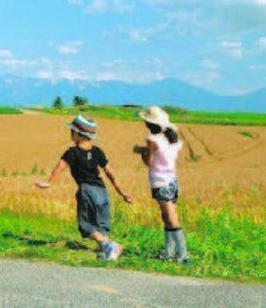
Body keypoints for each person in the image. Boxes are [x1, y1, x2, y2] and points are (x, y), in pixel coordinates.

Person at [35, 114, 134, 261]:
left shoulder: (72, 152)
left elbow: (60, 167)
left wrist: (49, 182)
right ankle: (106, 253)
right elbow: (110, 174)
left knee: (85, 225)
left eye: (72, 131)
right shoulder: (97, 152)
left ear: (78, 134)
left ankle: (109, 245)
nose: (70, 134)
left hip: (86, 190)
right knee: (101, 225)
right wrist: (123, 193)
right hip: (103, 191)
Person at [135, 105, 189, 263]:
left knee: (171, 217)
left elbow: (149, 162)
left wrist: (142, 152)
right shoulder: (171, 137)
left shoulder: (152, 140)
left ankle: (182, 254)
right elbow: (164, 154)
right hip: (172, 180)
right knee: (167, 216)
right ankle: (169, 252)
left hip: (160, 182)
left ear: (149, 124)